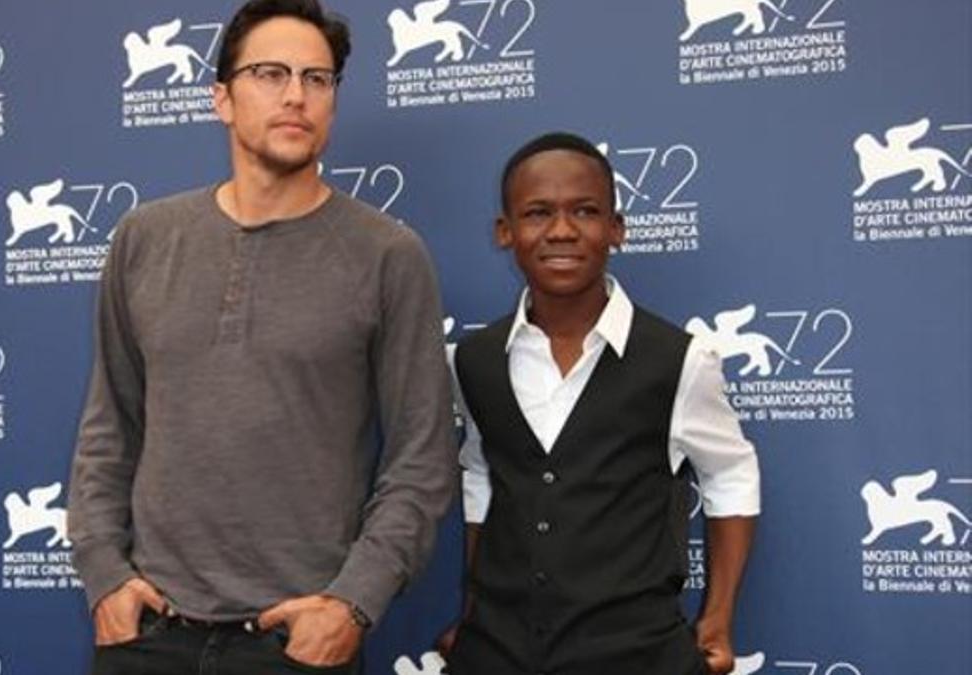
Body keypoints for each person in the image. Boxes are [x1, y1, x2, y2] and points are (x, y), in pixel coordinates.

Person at [67, 1, 457, 673]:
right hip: (149, 634)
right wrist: (104, 574)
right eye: (270, 73)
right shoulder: (144, 238)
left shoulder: (388, 254)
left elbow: (421, 458)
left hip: (298, 642)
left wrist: (352, 605)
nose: (296, 96)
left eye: (318, 78)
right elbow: (110, 428)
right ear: (222, 98)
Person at [440, 132, 760, 675]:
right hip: (496, 652)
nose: (562, 231)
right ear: (505, 231)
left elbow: (731, 475)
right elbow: (481, 478)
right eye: (537, 212)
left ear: (616, 229)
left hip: (637, 653)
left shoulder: (681, 359)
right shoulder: (471, 360)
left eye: (585, 211)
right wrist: (472, 609)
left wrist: (720, 617)